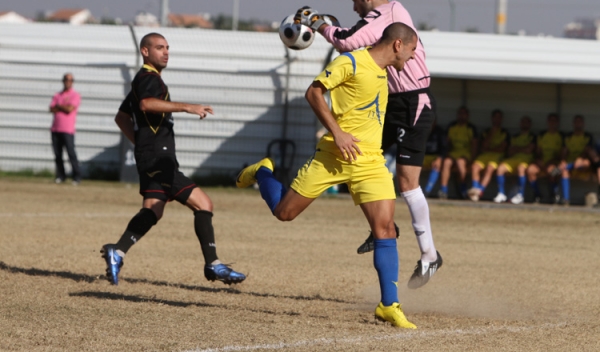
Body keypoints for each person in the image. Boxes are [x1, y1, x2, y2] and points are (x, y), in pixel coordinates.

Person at [237, 23, 419, 328]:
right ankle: (263, 171)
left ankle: (389, 305)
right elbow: (314, 92)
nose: (413, 57)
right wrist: (338, 132)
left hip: (370, 162)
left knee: (385, 229)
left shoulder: (384, 71)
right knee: (284, 213)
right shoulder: (350, 62)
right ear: (398, 45)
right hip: (333, 156)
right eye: (412, 50)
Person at [295, 0, 441, 289]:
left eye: (355, 1)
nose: (354, 7)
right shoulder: (383, 18)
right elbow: (358, 41)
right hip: (391, 102)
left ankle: (429, 255)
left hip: (413, 102)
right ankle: (384, 227)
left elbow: (347, 40)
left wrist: (317, 23)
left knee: (407, 182)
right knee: (358, 156)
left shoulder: (387, 13)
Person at [101, 32, 245, 286]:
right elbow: (146, 104)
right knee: (203, 204)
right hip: (159, 159)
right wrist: (187, 107)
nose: (166, 52)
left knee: (153, 209)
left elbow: (121, 117)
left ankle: (118, 251)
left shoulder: (141, 80)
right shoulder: (148, 78)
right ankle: (213, 264)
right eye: (159, 47)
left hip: (151, 156)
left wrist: (141, 143)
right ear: (145, 51)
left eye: (167, 47)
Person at [467, 109, 509, 201]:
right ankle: (475, 188)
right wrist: (491, 134)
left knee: (490, 168)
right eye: (495, 117)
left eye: (499, 117)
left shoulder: (504, 132)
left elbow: (502, 149)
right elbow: (483, 147)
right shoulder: (486, 132)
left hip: (497, 156)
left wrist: (489, 149)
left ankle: (480, 191)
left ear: (501, 119)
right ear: (492, 118)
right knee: (474, 167)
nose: (497, 119)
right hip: (485, 155)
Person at [492, 116, 536, 204]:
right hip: (513, 159)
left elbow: (529, 150)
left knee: (521, 168)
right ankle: (501, 194)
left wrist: (517, 148)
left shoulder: (532, 136)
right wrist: (522, 149)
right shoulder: (515, 136)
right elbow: (510, 151)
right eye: (523, 122)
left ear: (530, 124)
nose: (524, 124)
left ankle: (520, 195)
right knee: (500, 168)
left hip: (526, 159)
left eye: (526, 122)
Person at [438, 106, 478, 199]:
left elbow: (475, 145)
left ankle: (463, 189)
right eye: (460, 113)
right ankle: (443, 190)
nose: (462, 116)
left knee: (460, 162)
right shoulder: (452, 126)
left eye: (464, 114)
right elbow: (446, 143)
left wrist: (472, 159)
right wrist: (444, 154)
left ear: (467, 115)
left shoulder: (471, 128)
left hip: (465, 153)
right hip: (453, 152)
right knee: (446, 162)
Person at [49, 73, 81, 185]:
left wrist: (59, 106)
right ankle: (61, 176)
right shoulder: (57, 94)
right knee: (58, 155)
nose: (68, 82)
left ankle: (76, 176)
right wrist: (63, 106)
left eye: (70, 80)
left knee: (71, 154)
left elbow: (69, 109)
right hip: (55, 129)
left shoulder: (75, 95)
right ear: (63, 81)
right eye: (66, 79)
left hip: (68, 130)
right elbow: (51, 109)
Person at [557, 115, 594, 206]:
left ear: (583, 124)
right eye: (576, 122)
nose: (578, 124)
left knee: (586, 162)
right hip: (570, 163)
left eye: (580, 122)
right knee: (562, 171)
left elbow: (587, 150)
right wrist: (563, 161)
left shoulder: (587, 136)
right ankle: (565, 199)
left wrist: (580, 158)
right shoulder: (568, 137)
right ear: (573, 123)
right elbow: (564, 151)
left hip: (582, 163)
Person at [526, 113, 564, 204]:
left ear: (557, 123)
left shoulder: (561, 136)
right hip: (542, 162)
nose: (552, 123)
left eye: (554, 121)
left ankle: (554, 194)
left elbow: (561, 154)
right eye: (550, 120)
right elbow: (538, 151)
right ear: (547, 122)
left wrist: (551, 161)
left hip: (553, 162)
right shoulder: (542, 135)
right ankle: (537, 194)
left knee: (553, 171)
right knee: (530, 170)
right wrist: (539, 160)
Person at [423, 120, 446, 196]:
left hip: (435, 156)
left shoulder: (439, 131)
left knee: (437, 166)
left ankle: (427, 191)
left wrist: (439, 159)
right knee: (412, 165)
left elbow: (444, 147)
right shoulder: (423, 130)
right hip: (422, 156)